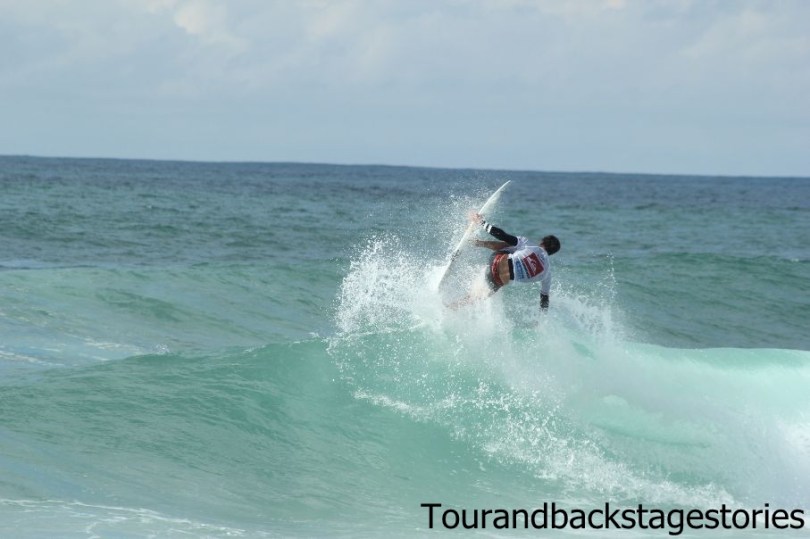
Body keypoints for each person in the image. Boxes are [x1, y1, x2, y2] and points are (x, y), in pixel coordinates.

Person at [460, 211, 560, 310]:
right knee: (479, 295)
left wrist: (482, 223)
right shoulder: (547, 274)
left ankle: (476, 243)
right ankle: (456, 306)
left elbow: (503, 236)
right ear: (551, 253)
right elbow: (544, 299)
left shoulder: (530, 245)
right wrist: (542, 318)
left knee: (514, 245)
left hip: (495, 261)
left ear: (542, 242)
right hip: (497, 281)